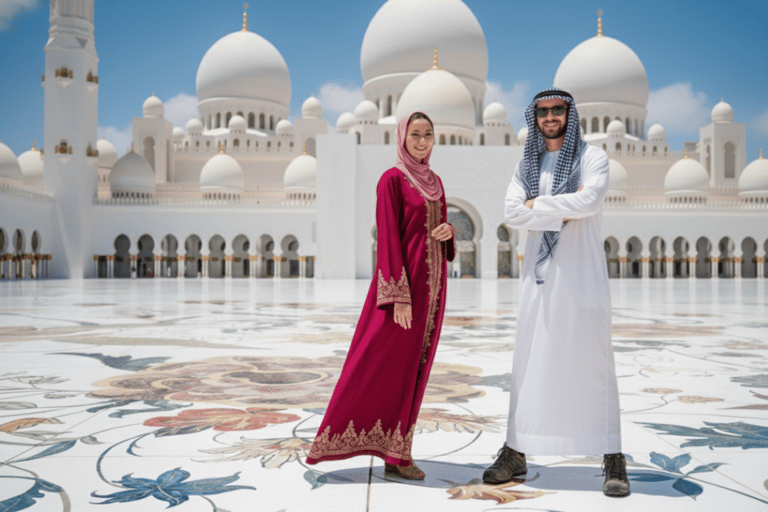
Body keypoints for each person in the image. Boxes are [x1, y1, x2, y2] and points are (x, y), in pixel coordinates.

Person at [483, 88, 630, 497]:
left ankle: (612, 455)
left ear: (570, 113)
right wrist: (561, 205)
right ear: (535, 118)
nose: (550, 116)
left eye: (558, 109)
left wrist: (538, 205)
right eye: (543, 111)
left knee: (593, 363)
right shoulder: (526, 165)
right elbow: (512, 213)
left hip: (582, 277)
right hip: (539, 280)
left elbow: (590, 201)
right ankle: (516, 451)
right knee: (530, 362)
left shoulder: (592, 158)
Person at [306, 112, 455, 480]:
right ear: (402, 138)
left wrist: (449, 233)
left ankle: (397, 452)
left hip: (432, 291)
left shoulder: (435, 182)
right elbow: (388, 238)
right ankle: (350, 440)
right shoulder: (392, 179)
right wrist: (398, 296)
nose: (422, 141)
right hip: (402, 292)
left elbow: (435, 231)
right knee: (378, 366)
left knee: (415, 370)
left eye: (428, 134)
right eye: (415, 134)